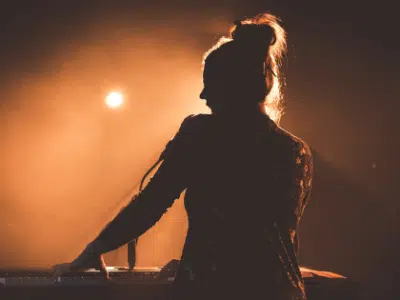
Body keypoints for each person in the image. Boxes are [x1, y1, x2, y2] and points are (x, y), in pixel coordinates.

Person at [53, 13, 313, 300]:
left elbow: (152, 202)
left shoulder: (202, 134)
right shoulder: (296, 150)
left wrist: (97, 247)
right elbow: (262, 233)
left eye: (210, 84)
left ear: (233, 85)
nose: (203, 95)